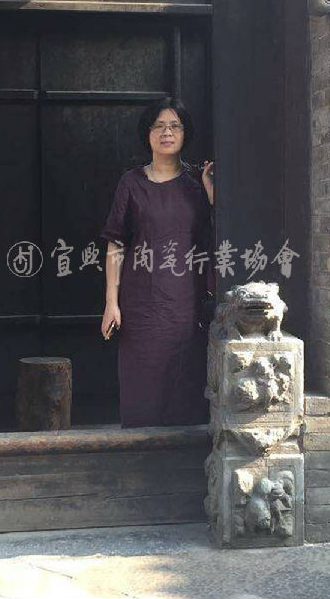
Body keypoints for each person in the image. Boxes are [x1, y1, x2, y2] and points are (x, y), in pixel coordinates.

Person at [99, 98, 215, 428]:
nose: (167, 133)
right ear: (147, 134)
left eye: (175, 126)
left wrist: (211, 199)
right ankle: (138, 453)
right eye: (159, 126)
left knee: (184, 388)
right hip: (141, 305)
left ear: (185, 133)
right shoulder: (131, 183)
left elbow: (214, 240)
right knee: (142, 387)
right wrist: (111, 303)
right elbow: (115, 243)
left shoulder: (198, 182)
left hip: (185, 303)